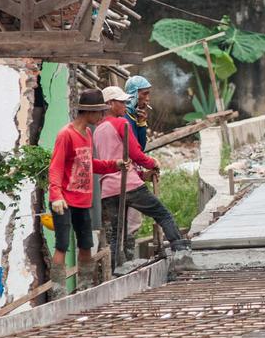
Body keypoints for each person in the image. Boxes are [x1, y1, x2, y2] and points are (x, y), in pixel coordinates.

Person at [96, 86, 191, 266]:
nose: (125, 105)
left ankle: (119, 269)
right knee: (163, 215)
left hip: (108, 189)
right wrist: (153, 163)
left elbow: (111, 159)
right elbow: (135, 153)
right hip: (129, 185)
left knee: (118, 232)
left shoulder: (98, 130)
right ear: (109, 104)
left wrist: (141, 173)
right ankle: (182, 254)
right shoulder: (121, 123)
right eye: (121, 102)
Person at [48, 89, 124, 297]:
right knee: (62, 245)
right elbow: (55, 167)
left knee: (86, 245)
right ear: (88, 112)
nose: (101, 116)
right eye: (99, 112)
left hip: (83, 200)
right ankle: (59, 292)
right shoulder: (66, 134)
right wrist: (56, 195)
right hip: (63, 200)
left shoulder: (88, 134)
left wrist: (114, 165)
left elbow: (89, 164)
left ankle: (84, 288)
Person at [124, 75, 152, 150]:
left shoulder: (134, 116)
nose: (148, 99)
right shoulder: (123, 117)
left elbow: (141, 148)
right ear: (134, 93)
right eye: (145, 94)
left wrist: (142, 123)